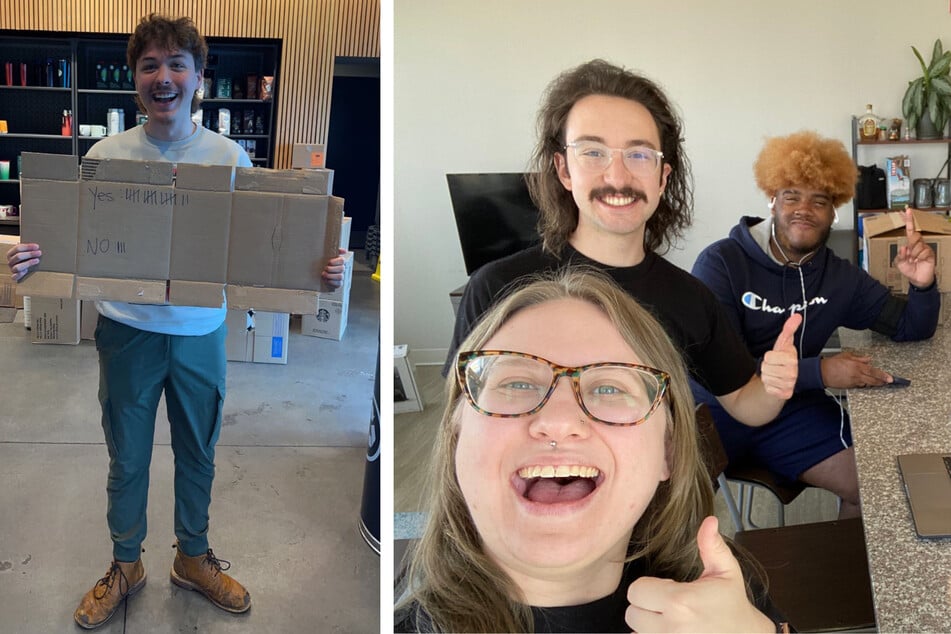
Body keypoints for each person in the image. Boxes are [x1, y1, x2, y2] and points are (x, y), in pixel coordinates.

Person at [6, 14, 345, 629]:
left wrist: (317, 268)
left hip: (198, 334)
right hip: (126, 330)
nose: (164, 78)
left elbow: (262, 243)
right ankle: (126, 563)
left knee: (199, 454)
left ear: (198, 75)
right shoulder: (106, 155)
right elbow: (74, 241)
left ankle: (192, 558)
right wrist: (34, 257)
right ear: (136, 78)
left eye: (176, 64)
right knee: (128, 458)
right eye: (150, 65)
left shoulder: (228, 156)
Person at [396, 270, 787, 633]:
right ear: (455, 435)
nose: (559, 420)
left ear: (667, 452)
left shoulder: (723, 588)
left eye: (609, 389)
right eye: (515, 383)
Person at [444, 59, 800, 429]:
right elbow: (460, 422)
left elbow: (747, 404)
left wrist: (774, 386)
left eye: (639, 155)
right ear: (564, 169)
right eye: (593, 152)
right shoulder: (496, 288)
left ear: (662, 179)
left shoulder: (691, 299)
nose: (617, 176)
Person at [691, 130, 939, 519]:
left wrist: (923, 284)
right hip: (717, 414)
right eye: (791, 195)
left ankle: (850, 576)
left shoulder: (839, 277)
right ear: (772, 200)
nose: (803, 209)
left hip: (791, 414)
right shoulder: (721, 264)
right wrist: (821, 371)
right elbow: (721, 370)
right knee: (664, 518)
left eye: (819, 200)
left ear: (834, 210)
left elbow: (911, 327)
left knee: (876, 484)